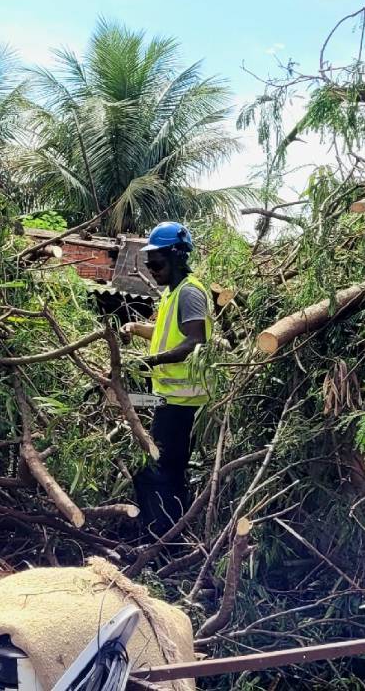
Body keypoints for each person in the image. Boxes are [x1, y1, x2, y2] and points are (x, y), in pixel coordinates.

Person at [121, 221, 213, 535]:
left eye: (156, 263)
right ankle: (167, 534)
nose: (152, 269)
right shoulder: (172, 295)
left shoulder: (189, 293)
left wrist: (148, 361)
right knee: (163, 470)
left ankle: (161, 539)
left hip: (183, 404)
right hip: (165, 398)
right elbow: (165, 334)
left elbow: (194, 341)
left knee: (158, 473)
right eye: (149, 264)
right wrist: (135, 327)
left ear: (176, 255)